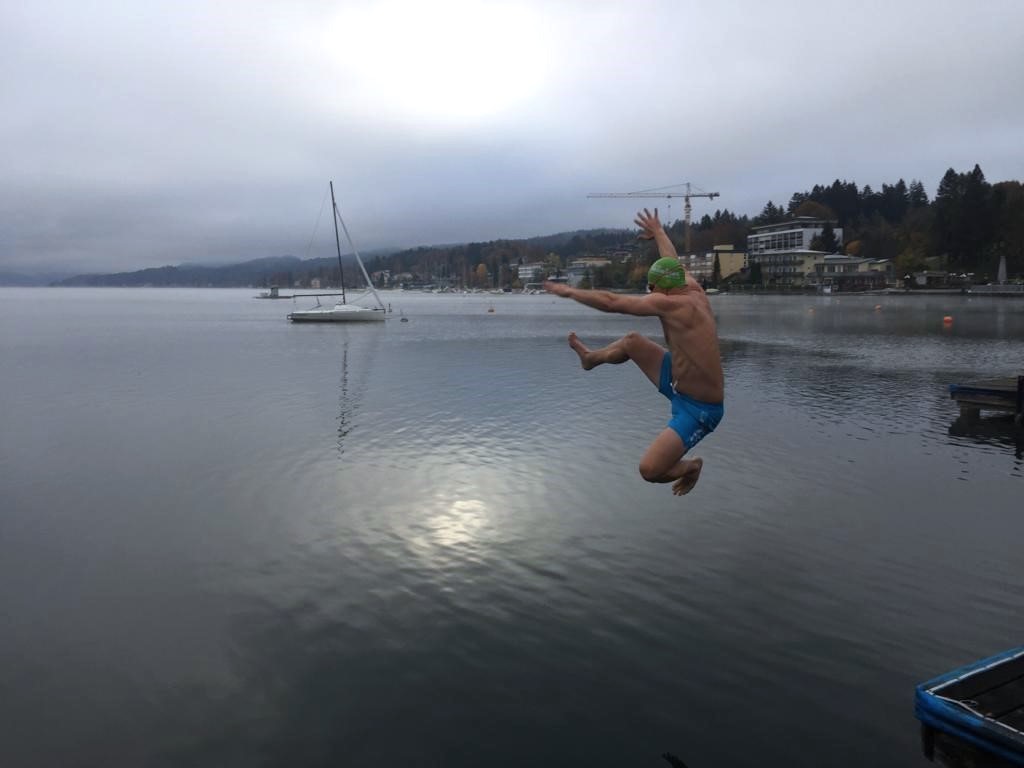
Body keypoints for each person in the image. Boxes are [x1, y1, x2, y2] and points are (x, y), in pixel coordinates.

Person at [544, 208, 724, 495]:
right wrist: (659, 232)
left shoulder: (673, 304)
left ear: (662, 292)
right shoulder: (687, 284)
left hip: (699, 408)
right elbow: (671, 260)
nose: (650, 296)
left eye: (652, 291)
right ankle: (591, 359)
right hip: (675, 377)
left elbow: (613, 302)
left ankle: (691, 466)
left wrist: (570, 293)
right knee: (631, 342)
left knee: (650, 470)